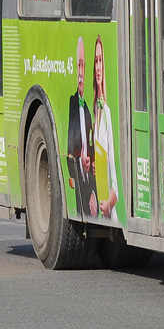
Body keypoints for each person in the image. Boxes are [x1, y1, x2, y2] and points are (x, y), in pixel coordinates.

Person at [66, 37, 96, 219]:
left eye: (83, 65)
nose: (80, 71)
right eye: (78, 65)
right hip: (78, 178)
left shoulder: (89, 109)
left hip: (90, 183)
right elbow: (70, 144)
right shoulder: (72, 102)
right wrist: (79, 161)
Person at [90, 36, 119, 221]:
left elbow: (115, 173)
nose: (98, 67)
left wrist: (108, 205)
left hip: (108, 210)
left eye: (101, 61)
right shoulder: (94, 110)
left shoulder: (107, 113)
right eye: (96, 61)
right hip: (97, 204)